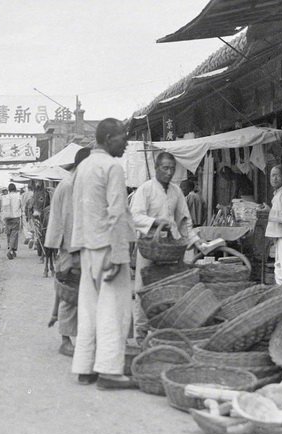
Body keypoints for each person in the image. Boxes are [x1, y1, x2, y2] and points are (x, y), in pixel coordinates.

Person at [70, 118, 137, 390]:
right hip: (107, 248)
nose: (126, 142)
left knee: (88, 310)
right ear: (109, 138)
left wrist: (75, 250)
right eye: (122, 137)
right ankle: (109, 371)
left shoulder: (83, 167)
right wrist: (118, 254)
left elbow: (77, 212)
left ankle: (84, 367)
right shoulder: (112, 167)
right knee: (114, 309)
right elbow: (117, 213)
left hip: (87, 248)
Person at [130, 153, 202, 341]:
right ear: (156, 168)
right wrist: (155, 222)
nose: (169, 172)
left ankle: (162, 333)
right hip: (149, 248)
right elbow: (135, 216)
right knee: (143, 290)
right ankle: (140, 332)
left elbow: (184, 220)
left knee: (167, 292)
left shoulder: (176, 191)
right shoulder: (145, 190)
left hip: (170, 250)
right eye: (165, 168)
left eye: (172, 168)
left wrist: (195, 241)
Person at [45, 147, 91, 357]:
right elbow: (68, 220)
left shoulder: (77, 184)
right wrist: (73, 252)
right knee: (69, 293)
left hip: (78, 246)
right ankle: (65, 340)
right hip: (71, 247)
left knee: (74, 292)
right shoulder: (70, 185)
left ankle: (72, 333)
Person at [1, 183, 23, 260]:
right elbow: (21, 206)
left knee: (8, 235)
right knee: (14, 235)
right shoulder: (18, 196)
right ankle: (10, 250)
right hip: (16, 217)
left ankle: (11, 250)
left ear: (8, 189)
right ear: (15, 188)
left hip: (7, 218)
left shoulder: (6, 196)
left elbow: (3, 208)